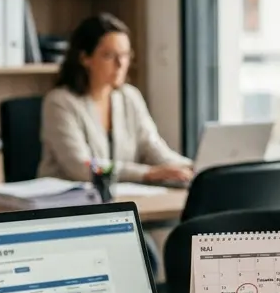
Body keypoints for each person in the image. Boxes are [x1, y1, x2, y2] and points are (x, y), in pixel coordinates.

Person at [38, 13, 193, 186]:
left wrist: (189, 167)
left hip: (121, 199)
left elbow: (153, 148)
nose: (120, 64)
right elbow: (81, 167)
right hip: (69, 204)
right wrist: (148, 173)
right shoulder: (59, 102)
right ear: (85, 58)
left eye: (125, 55)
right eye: (109, 56)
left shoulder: (130, 97)